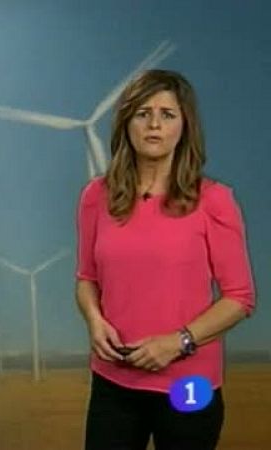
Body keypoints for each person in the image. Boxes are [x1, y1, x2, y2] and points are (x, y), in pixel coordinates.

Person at [75, 69, 256, 450]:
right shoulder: (96, 196)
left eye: (167, 114)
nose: (154, 124)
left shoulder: (215, 200)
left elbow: (239, 298)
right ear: (126, 123)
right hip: (113, 384)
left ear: (184, 125)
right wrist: (94, 321)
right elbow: (86, 278)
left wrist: (179, 342)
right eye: (143, 113)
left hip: (189, 386)